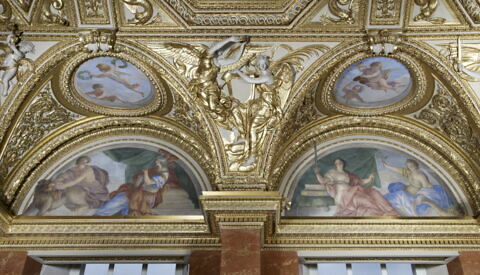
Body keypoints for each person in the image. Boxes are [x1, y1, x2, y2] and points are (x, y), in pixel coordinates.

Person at [314, 158, 398, 216]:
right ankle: (380, 214)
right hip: (343, 195)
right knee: (364, 200)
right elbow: (323, 181)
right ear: (335, 164)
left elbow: (360, 181)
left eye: (340, 162)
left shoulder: (348, 174)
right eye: (336, 163)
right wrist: (317, 173)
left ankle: (382, 213)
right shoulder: (332, 172)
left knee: (371, 194)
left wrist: (369, 178)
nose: (338, 164)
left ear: (343, 163)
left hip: (352, 192)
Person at [95, 157, 170, 216]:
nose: (156, 165)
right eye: (156, 163)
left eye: (158, 164)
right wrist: (140, 178)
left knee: (122, 198)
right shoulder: (158, 171)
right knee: (122, 194)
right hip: (141, 192)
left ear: (162, 164)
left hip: (147, 197)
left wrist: (146, 173)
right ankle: (116, 212)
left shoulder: (163, 176)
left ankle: (101, 214)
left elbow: (148, 182)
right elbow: (140, 183)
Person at [382, 159, 456, 216]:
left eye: (412, 165)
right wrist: (387, 166)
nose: (410, 167)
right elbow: (400, 170)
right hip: (407, 189)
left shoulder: (421, 175)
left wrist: (420, 195)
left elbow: (427, 188)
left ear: (416, 165)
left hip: (414, 194)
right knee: (393, 186)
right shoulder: (410, 172)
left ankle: (382, 202)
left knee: (398, 195)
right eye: (408, 166)